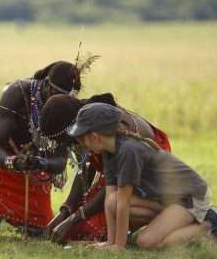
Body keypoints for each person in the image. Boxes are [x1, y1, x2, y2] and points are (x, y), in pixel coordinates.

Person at [66, 102, 217, 250]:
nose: (82, 145)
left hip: (190, 197)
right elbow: (110, 199)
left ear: (95, 137)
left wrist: (119, 246)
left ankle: (208, 224)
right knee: (112, 201)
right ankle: (173, 222)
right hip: (166, 200)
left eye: (82, 139)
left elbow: (123, 202)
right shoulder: (108, 152)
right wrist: (110, 243)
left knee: (146, 242)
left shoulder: (128, 151)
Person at [39, 94, 171, 243]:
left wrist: (72, 220)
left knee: (88, 230)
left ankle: (171, 216)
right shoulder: (87, 124)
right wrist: (66, 211)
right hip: (120, 177)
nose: (66, 145)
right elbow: (88, 170)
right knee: (77, 228)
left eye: (63, 139)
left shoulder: (103, 128)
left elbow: (114, 186)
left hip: (146, 176)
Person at [0, 61, 82, 235]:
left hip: (34, 172)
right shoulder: (17, 92)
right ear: (46, 84)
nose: (58, 100)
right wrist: (15, 163)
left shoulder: (66, 108)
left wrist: (41, 163)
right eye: (55, 93)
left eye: (65, 96)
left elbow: (59, 162)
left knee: (40, 233)